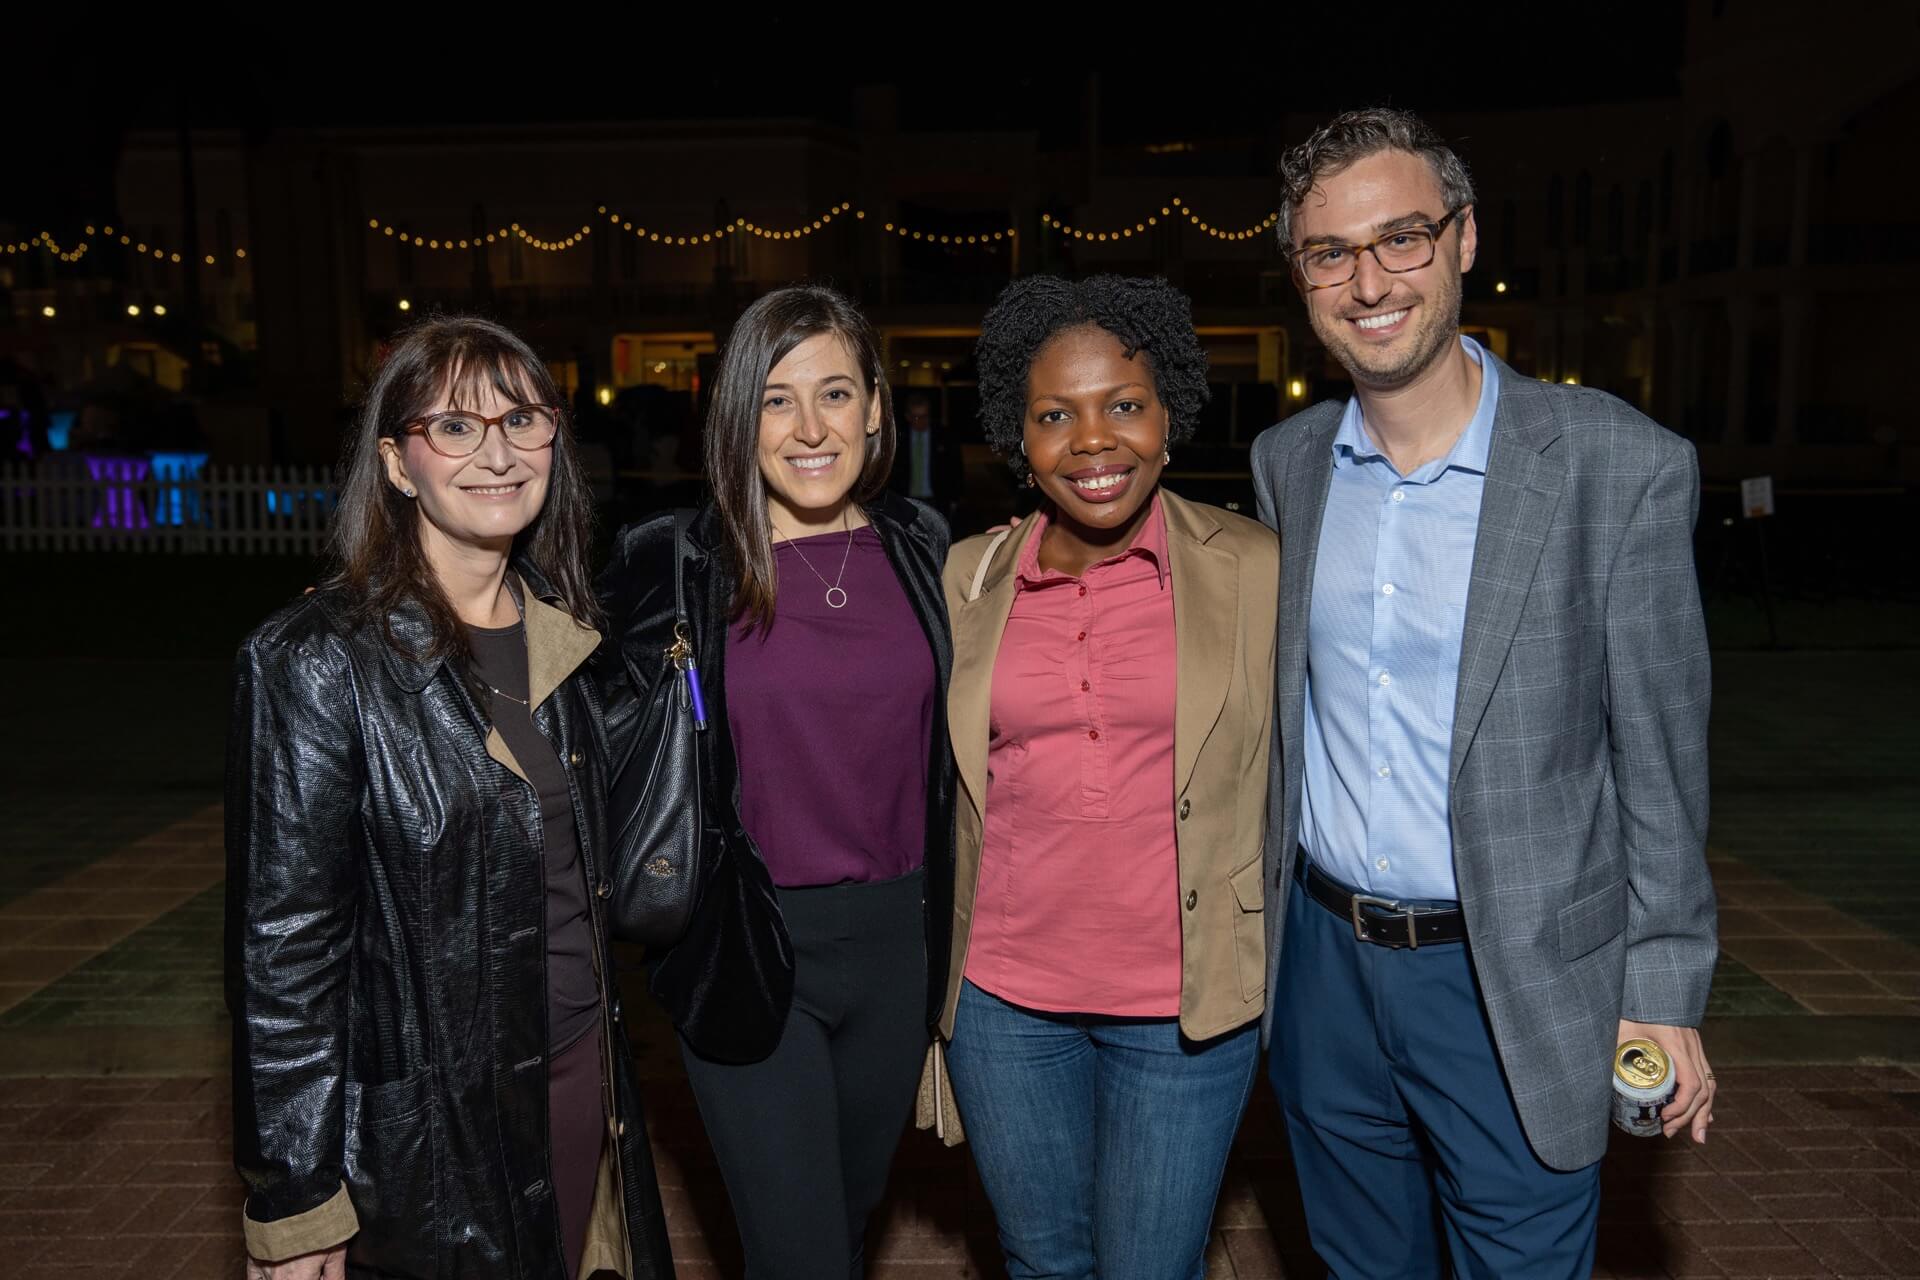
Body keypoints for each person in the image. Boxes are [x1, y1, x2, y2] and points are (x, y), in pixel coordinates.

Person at [1251, 107, 1718, 1277]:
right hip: (1322, 969)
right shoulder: (1288, 463)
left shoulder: (1619, 464)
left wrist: (1661, 987)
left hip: (1514, 976)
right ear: (1300, 275)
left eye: (1401, 238)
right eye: (1330, 252)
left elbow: (1661, 763)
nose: (1369, 282)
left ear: (1463, 238)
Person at [226, 315, 674, 1280]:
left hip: (575, 1071)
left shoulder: (570, 641)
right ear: (398, 464)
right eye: (456, 427)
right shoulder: (317, 661)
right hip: (423, 1136)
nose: (497, 454)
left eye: (521, 420)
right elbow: (285, 952)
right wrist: (296, 1199)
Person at [599, 285, 956, 1277]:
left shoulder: (927, 547)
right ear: (738, 416)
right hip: (747, 943)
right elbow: (590, 725)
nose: (809, 428)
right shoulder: (677, 563)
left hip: (901, 944)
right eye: (776, 399)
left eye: (835, 393)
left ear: (875, 407)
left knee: (844, 1222)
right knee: (802, 1254)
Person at [937, 275, 1279, 1279]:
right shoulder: (967, 578)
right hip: (1003, 1000)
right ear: (1020, 436)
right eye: (1056, 415)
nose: (1093, 440)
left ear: (1169, 415)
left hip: (1185, 1006)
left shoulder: (1257, 567)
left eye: (1124, 405)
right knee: (1041, 1261)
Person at [888, 391, 964, 519]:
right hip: (906, 501)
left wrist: (955, 499)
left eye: (925, 416)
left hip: (937, 501)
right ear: (908, 416)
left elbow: (955, 468)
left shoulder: (944, 436)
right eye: (916, 417)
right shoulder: (898, 439)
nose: (921, 421)